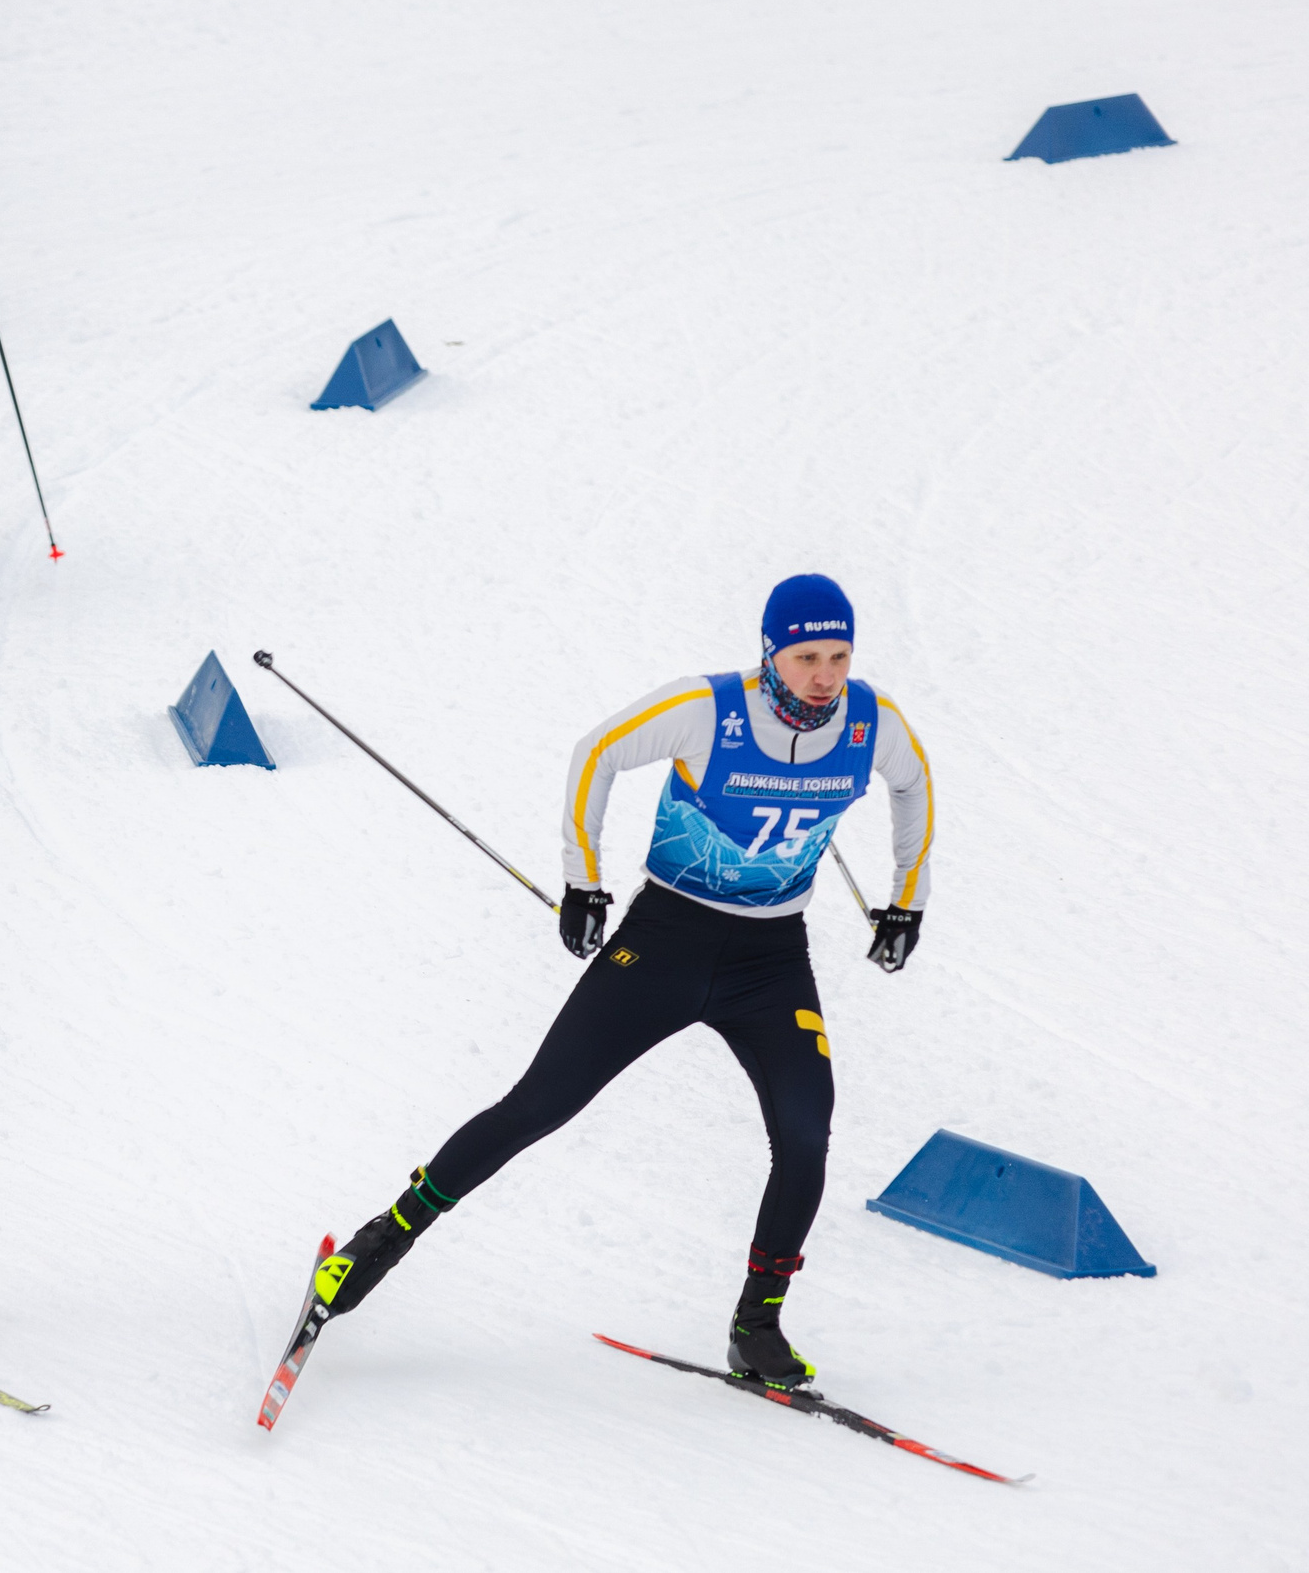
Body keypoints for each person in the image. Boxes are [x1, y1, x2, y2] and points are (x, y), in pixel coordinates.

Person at [303, 575, 934, 1386]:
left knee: (807, 1139)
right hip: (667, 942)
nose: (825, 676)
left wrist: (906, 903)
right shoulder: (709, 709)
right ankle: (382, 1239)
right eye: (806, 656)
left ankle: (757, 1326)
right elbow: (597, 752)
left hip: (772, 962)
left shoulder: (873, 723)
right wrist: (584, 882)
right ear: (770, 652)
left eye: (839, 657)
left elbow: (914, 784)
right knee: (540, 1104)